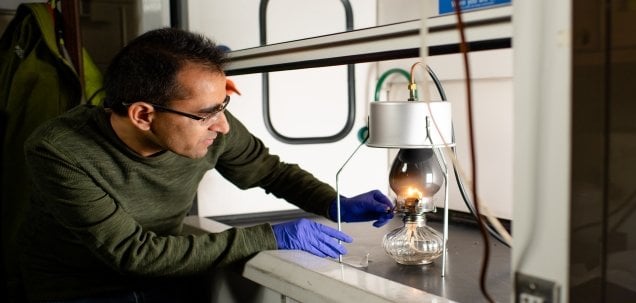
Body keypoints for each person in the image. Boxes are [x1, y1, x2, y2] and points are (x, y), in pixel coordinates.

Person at [18, 27, 394, 302]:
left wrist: (332, 202)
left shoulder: (211, 126)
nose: (223, 125)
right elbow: (134, 254)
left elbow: (268, 170)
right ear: (143, 116)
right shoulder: (61, 152)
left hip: (166, 279)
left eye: (223, 106)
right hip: (79, 290)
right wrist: (272, 234)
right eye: (207, 113)